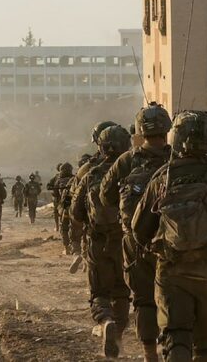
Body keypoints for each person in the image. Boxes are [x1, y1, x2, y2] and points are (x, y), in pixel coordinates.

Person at [132, 111, 207, 362]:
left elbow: (139, 228)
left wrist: (157, 248)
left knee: (177, 337)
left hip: (172, 272)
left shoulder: (163, 176)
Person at [99, 102, 172, 362]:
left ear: (141, 131)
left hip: (136, 242)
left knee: (143, 299)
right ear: (167, 129)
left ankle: (149, 353)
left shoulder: (127, 161)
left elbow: (105, 196)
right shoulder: (176, 158)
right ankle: (175, 348)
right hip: (172, 241)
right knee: (173, 294)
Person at [72, 125, 132, 358]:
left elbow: (76, 214)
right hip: (126, 244)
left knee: (99, 292)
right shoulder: (133, 171)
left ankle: (105, 320)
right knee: (122, 291)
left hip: (97, 242)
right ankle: (116, 334)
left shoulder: (90, 174)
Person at [68, 124, 116, 273]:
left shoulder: (88, 169)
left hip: (96, 232)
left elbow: (75, 204)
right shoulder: (132, 163)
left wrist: (74, 240)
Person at [52, 162, 75, 254]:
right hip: (76, 208)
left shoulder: (58, 181)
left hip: (65, 207)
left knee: (64, 227)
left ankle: (66, 248)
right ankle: (75, 246)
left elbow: (55, 194)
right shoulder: (75, 179)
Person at [47, 164, 63, 232]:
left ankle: (58, 226)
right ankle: (57, 226)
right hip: (58, 197)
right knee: (56, 212)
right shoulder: (56, 177)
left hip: (63, 197)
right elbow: (49, 185)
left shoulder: (71, 177)